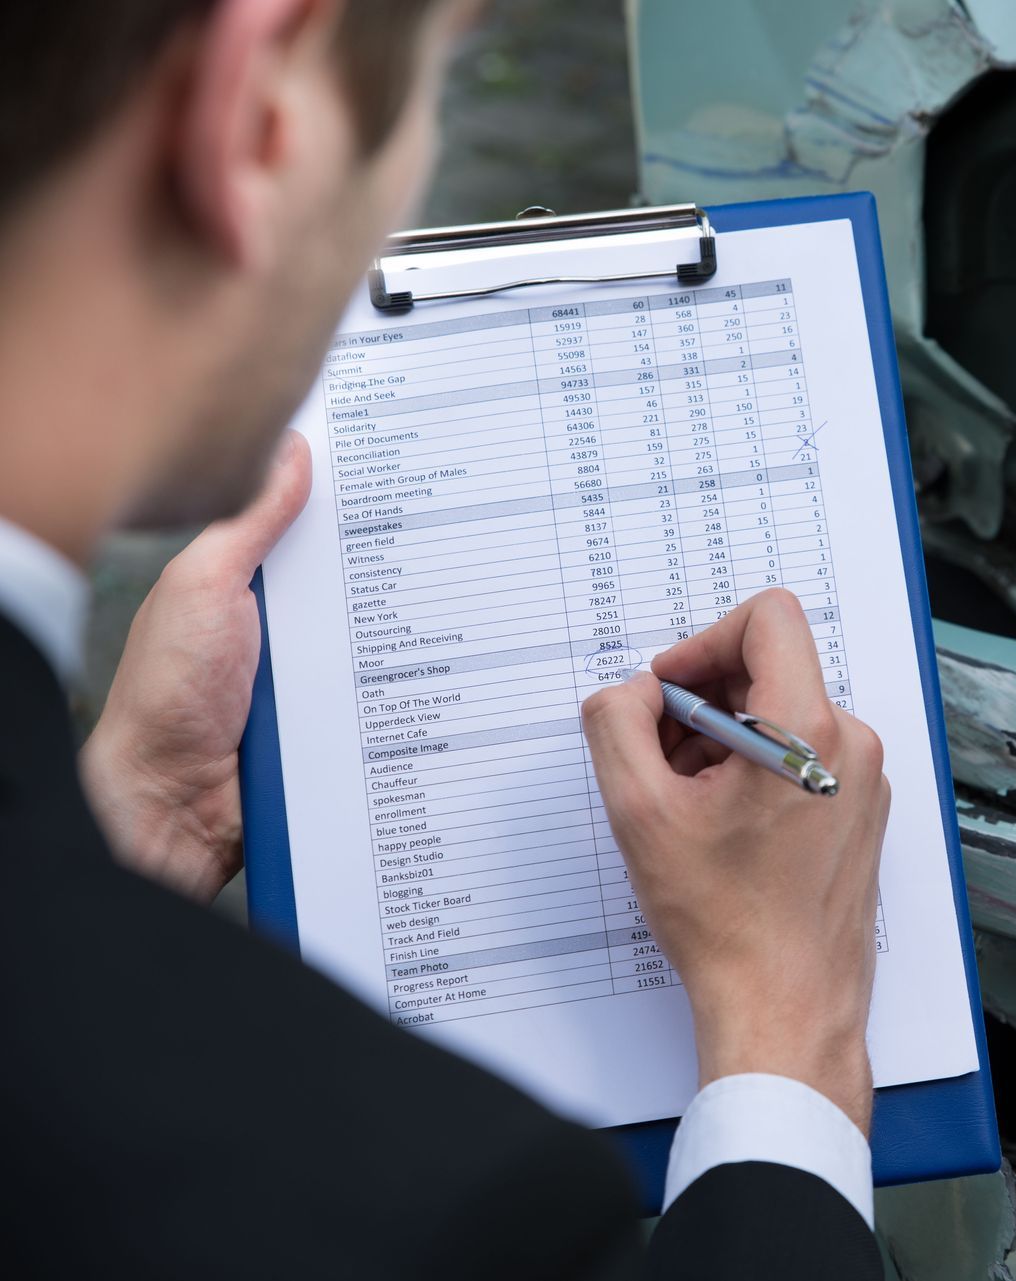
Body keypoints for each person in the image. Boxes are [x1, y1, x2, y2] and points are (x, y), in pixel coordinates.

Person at [0, 2, 892, 1276]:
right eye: (433, 94)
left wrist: (153, 810)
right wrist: (786, 1041)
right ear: (256, 121)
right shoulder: (424, 1203)